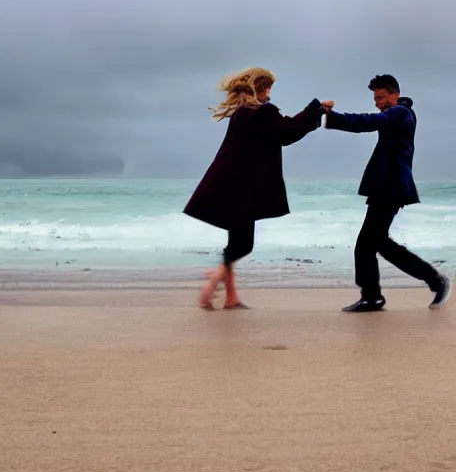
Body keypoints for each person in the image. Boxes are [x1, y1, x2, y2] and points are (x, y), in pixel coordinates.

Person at [183, 67, 333, 309]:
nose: (270, 94)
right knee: (243, 245)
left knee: (235, 243)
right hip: (242, 189)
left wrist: (311, 112)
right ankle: (215, 279)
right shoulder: (260, 113)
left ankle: (231, 298)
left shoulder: (243, 112)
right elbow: (287, 132)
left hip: (229, 185)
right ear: (261, 89)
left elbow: (282, 129)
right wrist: (316, 109)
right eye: (269, 88)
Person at [323, 74, 451, 312]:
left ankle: (432, 280)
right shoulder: (396, 114)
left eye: (381, 97)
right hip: (386, 187)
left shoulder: (401, 113)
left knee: (369, 244)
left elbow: (367, 122)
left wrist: (332, 117)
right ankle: (376, 295)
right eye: (375, 98)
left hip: (391, 188)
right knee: (373, 243)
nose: (377, 103)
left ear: (395, 94)